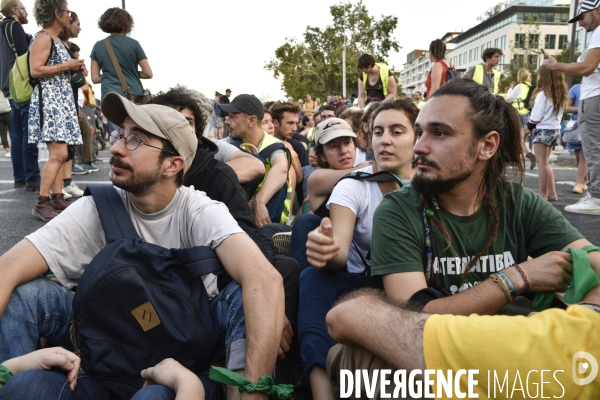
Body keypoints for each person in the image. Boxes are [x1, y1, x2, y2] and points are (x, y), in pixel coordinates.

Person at [0, 94, 284, 399]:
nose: (117, 148)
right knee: (27, 294)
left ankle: (242, 394)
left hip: (183, 348)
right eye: (121, 134)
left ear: (172, 165)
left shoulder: (199, 210)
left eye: (135, 140)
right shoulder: (99, 207)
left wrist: (255, 390)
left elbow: (265, 281)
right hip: (108, 336)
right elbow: (7, 269)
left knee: (242, 295)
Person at [366, 78, 599, 316]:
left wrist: (588, 314)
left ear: (487, 145)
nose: (419, 147)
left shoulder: (519, 203)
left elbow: (594, 261)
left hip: (516, 346)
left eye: (439, 133)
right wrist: (516, 277)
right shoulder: (399, 210)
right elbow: (410, 318)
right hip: (436, 350)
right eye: (419, 132)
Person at [299, 100, 417, 399]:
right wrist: (326, 250)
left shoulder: (435, 183)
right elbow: (339, 253)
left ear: (418, 136)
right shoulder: (353, 185)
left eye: (397, 131)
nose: (385, 140)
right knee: (312, 278)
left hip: (418, 284)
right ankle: (321, 390)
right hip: (366, 281)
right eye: (378, 132)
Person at [324, 288, 600, 399]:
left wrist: (511, 278)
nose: (423, 157)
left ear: (486, 156)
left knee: (350, 353)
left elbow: (346, 317)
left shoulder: (568, 346)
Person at [28, 0, 84, 221]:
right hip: (50, 101)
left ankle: (57, 197)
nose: (70, 16)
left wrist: (75, 68)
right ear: (56, 12)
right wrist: (67, 66)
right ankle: (41, 203)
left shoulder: (58, 40)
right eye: (68, 11)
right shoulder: (43, 37)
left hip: (61, 101)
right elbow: (36, 70)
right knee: (59, 154)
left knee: (61, 155)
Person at [544, 0, 600, 214]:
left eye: (582, 17)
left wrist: (556, 66)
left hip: (595, 97)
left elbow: (587, 67)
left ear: (597, 10)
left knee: (593, 148)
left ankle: (597, 198)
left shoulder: (599, 31)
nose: (581, 23)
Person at [222, 94, 291, 226]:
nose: (227, 121)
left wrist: (260, 201)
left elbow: (281, 168)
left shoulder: (274, 145)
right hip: (236, 210)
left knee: (280, 185)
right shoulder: (225, 144)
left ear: (251, 121)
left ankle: (265, 234)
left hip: (269, 213)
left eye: (232, 116)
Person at [0, 0, 41, 191]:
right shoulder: (13, 25)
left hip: (8, 84)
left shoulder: (1, 27)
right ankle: (32, 177)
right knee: (29, 132)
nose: (27, 13)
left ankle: (20, 177)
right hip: (22, 84)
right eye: (24, 10)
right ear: (15, 11)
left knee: (16, 134)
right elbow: (25, 56)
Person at [90, 7, 152, 110]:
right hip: (134, 95)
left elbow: (95, 79)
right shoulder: (134, 44)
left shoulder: (98, 46)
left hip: (110, 96)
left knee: (117, 125)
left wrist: (111, 74)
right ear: (127, 23)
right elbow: (148, 73)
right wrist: (130, 72)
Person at [526, 65, 567, 201]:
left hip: (543, 129)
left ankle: (542, 193)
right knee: (546, 163)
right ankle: (551, 193)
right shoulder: (559, 94)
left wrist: (530, 126)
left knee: (541, 163)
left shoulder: (543, 95)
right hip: (555, 129)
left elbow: (537, 114)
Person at [506, 68, 536, 169]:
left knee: (519, 139)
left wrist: (511, 88)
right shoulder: (532, 87)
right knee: (522, 138)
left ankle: (529, 154)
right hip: (529, 115)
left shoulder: (519, 87)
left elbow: (508, 99)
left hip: (520, 115)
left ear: (520, 77)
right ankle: (517, 157)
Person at [566, 83, 589, 194]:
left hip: (591, 124)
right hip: (576, 125)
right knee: (578, 153)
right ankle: (586, 181)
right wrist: (580, 108)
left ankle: (578, 184)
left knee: (583, 154)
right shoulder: (576, 88)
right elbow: (567, 107)